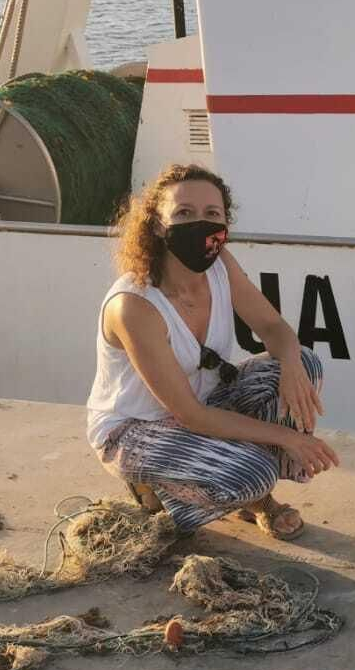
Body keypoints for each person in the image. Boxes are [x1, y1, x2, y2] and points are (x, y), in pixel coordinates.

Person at [85, 163, 339, 538]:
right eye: (184, 213)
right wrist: (287, 437)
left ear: (225, 224)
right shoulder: (135, 306)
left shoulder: (220, 266)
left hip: (205, 404)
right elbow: (189, 414)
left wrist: (291, 366)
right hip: (136, 430)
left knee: (305, 363)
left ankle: (235, 485)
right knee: (253, 474)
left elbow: (273, 328)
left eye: (212, 214)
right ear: (157, 224)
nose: (199, 225)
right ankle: (165, 497)